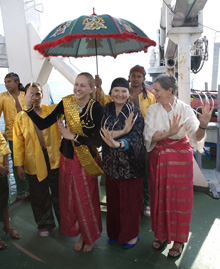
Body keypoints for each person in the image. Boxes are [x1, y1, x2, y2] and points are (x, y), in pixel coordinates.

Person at [24, 73, 103, 252]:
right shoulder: (67, 103)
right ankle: (80, 231)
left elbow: (98, 141)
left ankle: (88, 236)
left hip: (87, 159)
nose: (78, 88)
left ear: (91, 89)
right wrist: (29, 109)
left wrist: (72, 136)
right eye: (76, 84)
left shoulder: (97, 108)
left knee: (86, 198)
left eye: (83, 85)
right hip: (67, 157)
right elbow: (44, 124)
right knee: (71, 198)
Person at [143, 74, 213, 258]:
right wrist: (169, 132)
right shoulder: (152, 110)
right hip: (158, 159)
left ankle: (179, 240)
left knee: (179, 200)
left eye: (157, 90)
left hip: (180, 161)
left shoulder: (185, 109)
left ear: (169, 91)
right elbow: (148, 136)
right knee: (159, 198)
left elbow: (195, 136)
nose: (154, 93)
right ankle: (162, 235)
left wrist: (203, 126)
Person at [95, 65, 156, 217]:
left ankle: (146, 202)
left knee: (144, 172)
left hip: (142, 136)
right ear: (129, 77)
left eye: (139, 76)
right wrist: (99, 86)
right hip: (118, 137)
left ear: (143, 78)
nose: (135, 78)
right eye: (133, 75)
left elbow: (153, 116)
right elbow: (103, 101)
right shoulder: (121, 89)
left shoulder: (150, 97)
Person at [100, 78, 145, 249]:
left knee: (130, 203)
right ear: (110, 93)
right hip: (111, 166)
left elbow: (135, 138)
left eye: (123, 91)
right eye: (116, 90)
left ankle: (131, 234)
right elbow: (101, 134)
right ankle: (114, 232)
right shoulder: (105, 110)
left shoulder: (135, 112)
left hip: (131, 167)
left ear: (128, 94)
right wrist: (123, 131)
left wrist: (119, 142)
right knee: (113, 203)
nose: (120, 94)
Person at [13, 83, 61, 237]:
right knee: (39, 193)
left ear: (42, 95)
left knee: (59, 192)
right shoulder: (21, 117)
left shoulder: (51, 110)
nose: (35, 98)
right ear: (25, 96)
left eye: (38, 94)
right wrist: (18, 165)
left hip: (54, 157)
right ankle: (44, 224)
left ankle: (65, 222)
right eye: (31, 94)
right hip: (33, 160)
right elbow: (17, 143)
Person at [0, 72, 29, 200]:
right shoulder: (2, 97)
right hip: (12, 137)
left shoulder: (25, 96)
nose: (6, 84)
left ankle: (31, 188)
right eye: (5, 82)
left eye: (9, 82)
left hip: (28, 136)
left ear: (17, 82)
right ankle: (21, 190)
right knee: (17, 164)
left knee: (29, 162)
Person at [0, 131, 21, 250]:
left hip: (2, 173)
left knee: (4, 199)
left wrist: (6, 164)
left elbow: (2, 143)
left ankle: (7, 227)